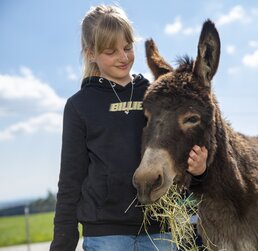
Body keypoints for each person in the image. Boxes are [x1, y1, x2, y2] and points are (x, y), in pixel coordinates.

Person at [50, 4, 208, 251]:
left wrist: (200, 170)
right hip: (106, 235)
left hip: (160, 231)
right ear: (91, 53)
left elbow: (178, 156)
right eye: (111, 52)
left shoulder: (154, 95)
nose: (123, 58)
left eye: (127, 47)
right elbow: (70, 180)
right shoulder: (79, 106)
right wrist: (62, 243)